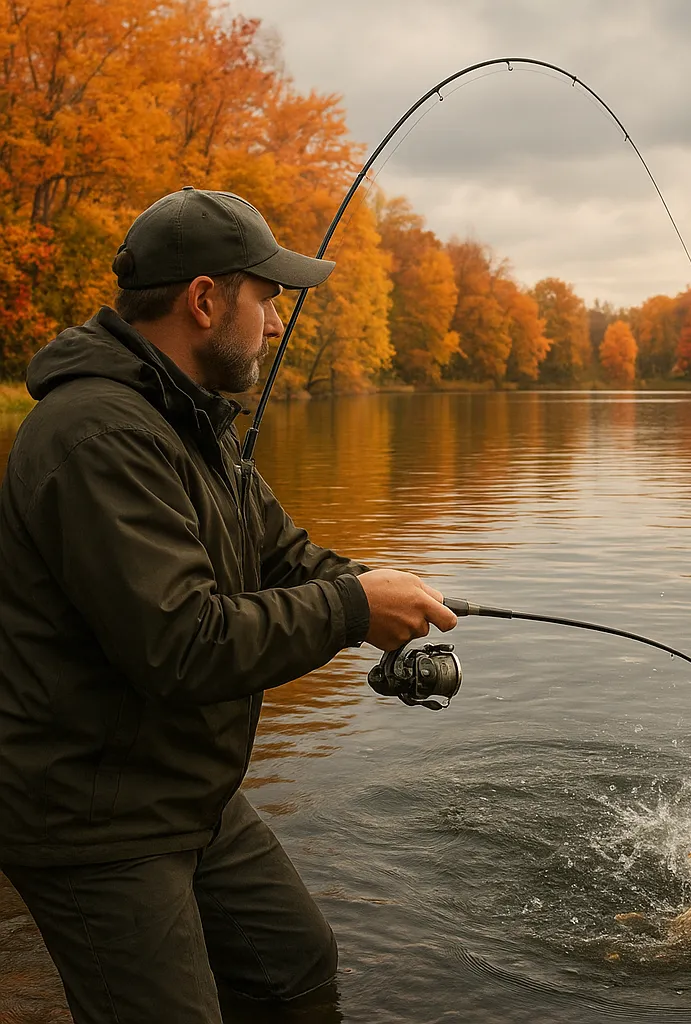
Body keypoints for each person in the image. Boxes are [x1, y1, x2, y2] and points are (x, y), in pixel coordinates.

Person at [0, 186, 459, 1023]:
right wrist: (354, 610)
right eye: (266, 298)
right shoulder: (96, 435)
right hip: (93, 809)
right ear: (205, 299)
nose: (278, 324)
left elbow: (282, 558)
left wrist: (389, 591)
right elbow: (182, 644)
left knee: (293, 965)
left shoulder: (189, 426)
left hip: (177, 783)